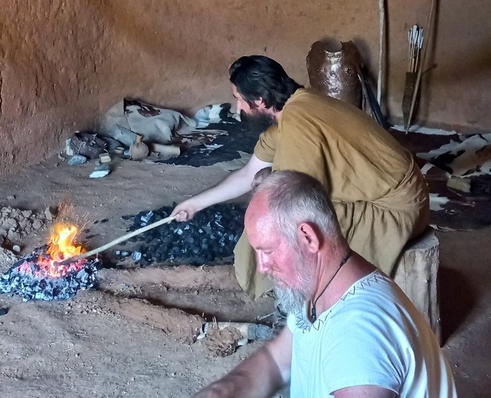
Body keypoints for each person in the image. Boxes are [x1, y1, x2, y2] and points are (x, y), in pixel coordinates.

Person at [171, 55, 429, 298]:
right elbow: (247, 174)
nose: (238, 106)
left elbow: (292, 199)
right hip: (391, 193)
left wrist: (268, 183)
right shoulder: (295, 108)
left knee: (289, 224)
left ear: (259, 101)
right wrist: (195, 204)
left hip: (395, 208)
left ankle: (312, 300)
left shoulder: (299, 120)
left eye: (240, 99)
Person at [193, 170, 456, 398]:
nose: (262, 266)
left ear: (308, 237)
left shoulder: (358, 334)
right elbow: (276, 362)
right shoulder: (320, 287)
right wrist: (219, 393)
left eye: (268, 251)